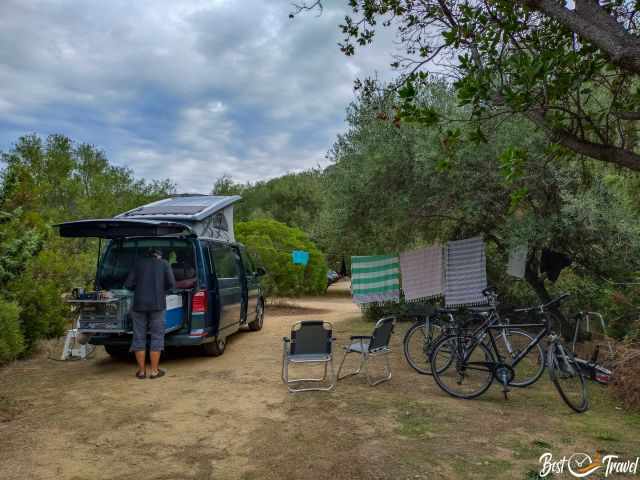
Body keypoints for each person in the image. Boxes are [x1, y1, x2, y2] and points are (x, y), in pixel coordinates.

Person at [125, 247, 176, 379]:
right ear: (158, 255)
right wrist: (161, 288)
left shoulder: (138, 264)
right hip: (158, 305)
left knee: (138, 336)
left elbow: (129, 285)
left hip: (139, 305)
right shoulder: (164, 263)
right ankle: (154, 371)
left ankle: (141, 372)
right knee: (157, 336)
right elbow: (171, 284)